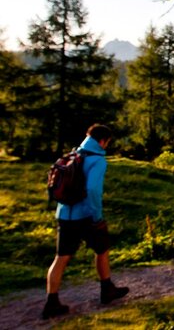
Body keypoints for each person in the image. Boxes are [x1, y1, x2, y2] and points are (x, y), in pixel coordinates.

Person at [42, 124, 129, 319]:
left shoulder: (73, 155)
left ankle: (52, 301)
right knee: (102, 250)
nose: (106, 146)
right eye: (107, 143)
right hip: (86, 216)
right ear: (102, 141)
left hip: (64, 214)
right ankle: (107, 290)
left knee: (61, 257)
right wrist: (97, 216)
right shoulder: (97, 160)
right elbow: (93, 190)